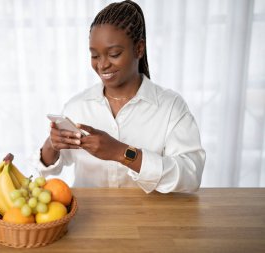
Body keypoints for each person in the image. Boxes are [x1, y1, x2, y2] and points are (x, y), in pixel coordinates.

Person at [31, 0, 206, 193]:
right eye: (95, 56)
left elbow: (190, 176)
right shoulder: (77, 106)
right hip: (89, 217)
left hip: (148, 218)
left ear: (139, 49)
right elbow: (48, 166)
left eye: (114, 54)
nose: (102, 65)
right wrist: (52, 144)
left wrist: (122, 153)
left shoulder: (170, 107)